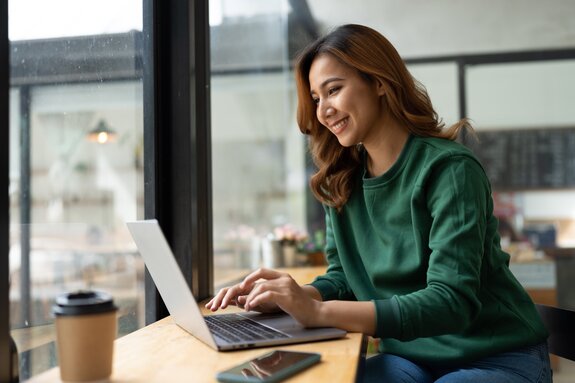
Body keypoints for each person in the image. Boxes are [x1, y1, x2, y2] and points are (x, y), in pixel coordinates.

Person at [206, 24, 551, 382]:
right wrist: (292, 297)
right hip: (409, 356)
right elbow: (345, 278)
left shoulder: (450, 170)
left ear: (380, 82)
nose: (323, 110)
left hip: (496, 356)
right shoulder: (341, 180)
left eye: (333, 90)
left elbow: (451, 301)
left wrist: (317, 312)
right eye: (316, 98)